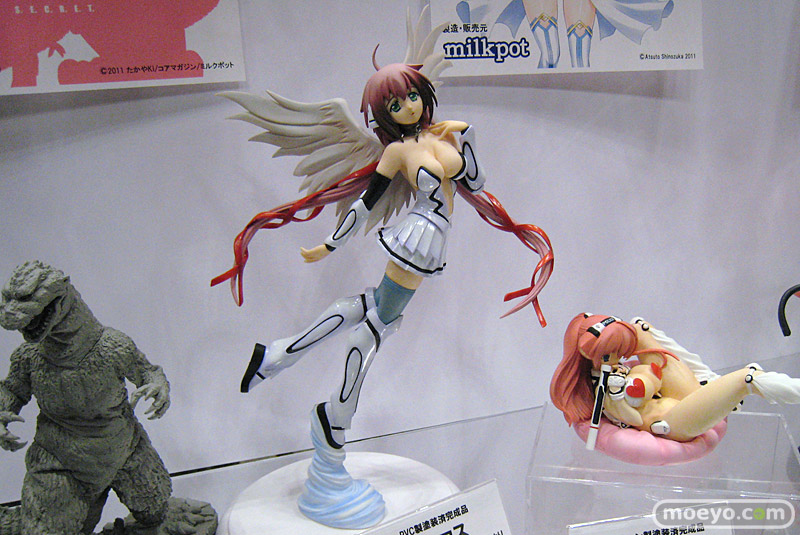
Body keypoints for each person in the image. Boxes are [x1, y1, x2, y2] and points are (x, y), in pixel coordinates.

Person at [551, 313, 800, 443]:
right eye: (610, 353)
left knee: (639, 327)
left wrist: (646, 379)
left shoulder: (618, 369)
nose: (618, 357)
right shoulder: (604, 388)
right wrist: (622, 393)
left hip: (670, 397)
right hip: (669, 421)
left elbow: (647, 380)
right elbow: (633, 417)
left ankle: (708, 382)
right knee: (747, 378)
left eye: (620, 350)